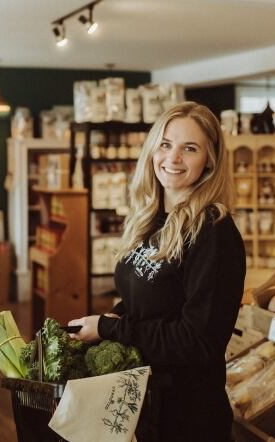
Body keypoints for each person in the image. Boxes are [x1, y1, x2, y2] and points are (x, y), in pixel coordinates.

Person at [68, 101, 246, 441]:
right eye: (165, 144)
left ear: (210, 160)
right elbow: (147, 302)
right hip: (143, 404)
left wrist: (109, 329)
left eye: (189, 148)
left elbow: (197, 342)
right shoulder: (150, 220)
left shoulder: (214, 233)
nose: (173, 158)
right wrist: (114, 316)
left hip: (187, 417)